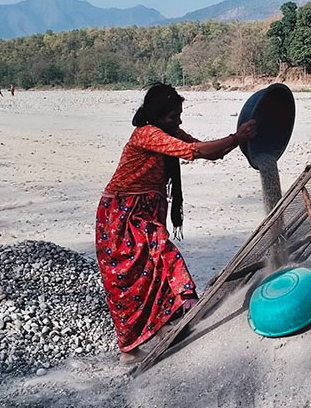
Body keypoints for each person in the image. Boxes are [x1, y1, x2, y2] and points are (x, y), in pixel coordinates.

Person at [96, 83, 256, 364]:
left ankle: (164, 324)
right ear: (157, 116)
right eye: (173, 116)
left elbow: (209, 151)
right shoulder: (148, 134)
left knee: (153, 271)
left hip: (144, 210)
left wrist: (239, 140)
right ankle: (141, 340)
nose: (178, 121)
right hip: (122, 215)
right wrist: (236, 137)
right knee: (131, 278)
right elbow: (195, 151)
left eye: (179, 115)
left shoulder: (169, 132)